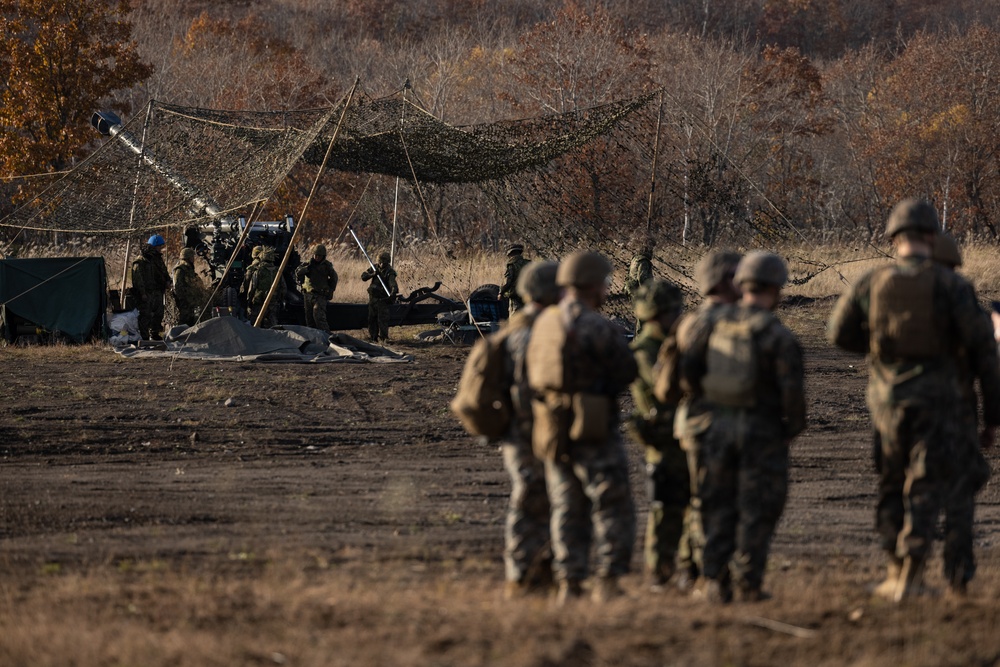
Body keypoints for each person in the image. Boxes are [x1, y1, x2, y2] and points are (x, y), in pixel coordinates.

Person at [828, 199, 1000, 601]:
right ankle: (916, 575)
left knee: (892, 483)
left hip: (888, 403)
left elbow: (837, 333)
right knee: (929, 484)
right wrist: (992, 415)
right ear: (930, 236)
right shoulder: (952, 285)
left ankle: (895, 569)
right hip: (943, 404)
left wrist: (880, 354)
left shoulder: (871, 281)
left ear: (892, 238)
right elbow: (984, 352)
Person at [679, 251, 805, 603]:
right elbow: (792, 395)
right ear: (776, 288)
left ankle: (712, 581)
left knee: (714, 504)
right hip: (761, 433)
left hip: (714, 430)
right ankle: (748, 582)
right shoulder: (777, 335)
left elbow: (688, 373)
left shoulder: (714, 324)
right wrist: (789, 430)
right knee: (758, 509)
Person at [526, 250, 638, 604]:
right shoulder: (598, 326)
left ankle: (570, 583)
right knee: (612, 503)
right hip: (592, 425)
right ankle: (609, 581)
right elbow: (627, 372)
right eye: (605, 283)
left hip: (551, 426)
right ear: (592, 285)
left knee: (566, 506)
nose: (607, 289)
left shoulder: (543, 323)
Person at [655, 249, 742, 589]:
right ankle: (716, 575)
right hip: (733, 423)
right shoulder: (744, 321)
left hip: (695, 424)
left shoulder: (687, 324)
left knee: (702, 500)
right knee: (724, 500)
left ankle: (703, 572)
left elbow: (666, 387)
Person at [500, 260, 561, 599]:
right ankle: (525, 575)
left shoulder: (513, 328)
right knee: (533, 500)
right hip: (533, 429)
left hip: (516, 430)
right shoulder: (538, 332)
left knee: (533, 498)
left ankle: (531, 572)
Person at [628, 279, 687, 590]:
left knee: (691, 507)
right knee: (666, 508)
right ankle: (660, 572)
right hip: (664, 438)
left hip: (683, 434)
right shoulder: (645, 349)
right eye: (674, 310)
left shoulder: (669, 342)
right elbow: (664, 385)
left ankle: (688, 569)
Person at [131, 234, 171, 340]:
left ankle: (155, 333)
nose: (160, 249)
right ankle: (144, 336)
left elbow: (164, 271)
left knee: (159, 313)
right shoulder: (140, 262)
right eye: (159, 247)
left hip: (157, 291)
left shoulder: (157, 260)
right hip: (147, 292)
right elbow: (138, 279)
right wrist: (142, 293)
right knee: (146, 315)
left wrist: (167, 281)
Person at [295, 244, 338, 331]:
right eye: (315, 255)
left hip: (320, 295)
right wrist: (307, 268)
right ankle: (313, 338)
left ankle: (326, 336)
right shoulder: (308, 263)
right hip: (308, 295)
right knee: (309, 319)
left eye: (319, 256)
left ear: (323, 256)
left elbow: (334, 278)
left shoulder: (327, 266)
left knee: (319, 317)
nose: (317, 257)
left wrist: (331, 290)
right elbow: (297, 272)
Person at [244, 247, 286, 328]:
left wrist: (249, 301)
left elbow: (252, 287)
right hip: (273, 302)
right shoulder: (277, 271)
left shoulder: (259, 271)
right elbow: (284, 288)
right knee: (274, 325)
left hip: (259, 301)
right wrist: (280, 299)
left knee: (255, 325)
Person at [362, 251, 399, 342]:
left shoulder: (390, 272)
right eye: (380, 262)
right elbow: (363, 277)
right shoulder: (374, 268)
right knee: (371, 319)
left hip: (382, 300)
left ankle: (383, 338)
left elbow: (393, 284)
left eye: (384, 262)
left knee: (382, 319)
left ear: (387, 262)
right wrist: (372, 274)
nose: (381, 264)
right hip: (373, 298)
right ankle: (373, 337)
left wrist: (393, 291)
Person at [172, 247, 204, 328]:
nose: (193, 259)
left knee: (191, 320)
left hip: (190, 299)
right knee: (184, 320)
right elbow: (178, 286)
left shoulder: (189, 268)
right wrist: (183, 298)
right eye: (192, 257)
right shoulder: (180, 269)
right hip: (185, 300)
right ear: (188, 258)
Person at [499, 243, 530, 316]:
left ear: (510, 253)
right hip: (528, 296)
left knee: (515, 319)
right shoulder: (528, 263)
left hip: (516, 297)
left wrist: (501, 292)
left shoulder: (512, 264)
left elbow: (507, 281)